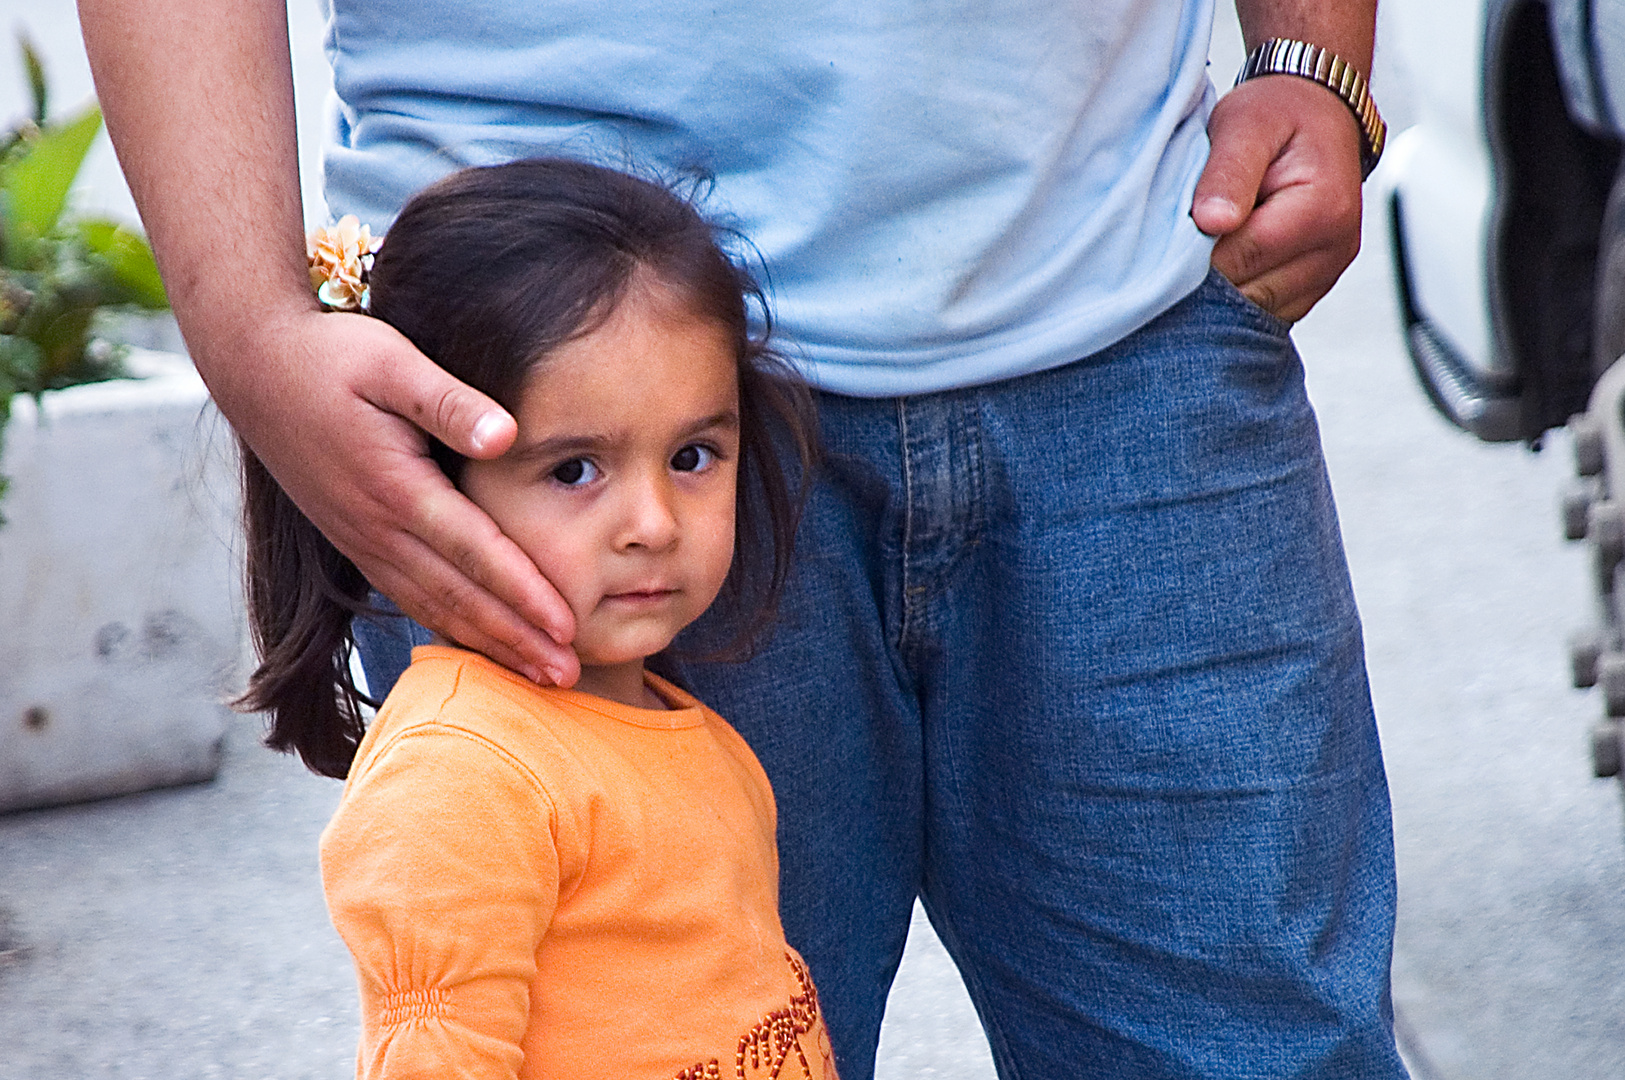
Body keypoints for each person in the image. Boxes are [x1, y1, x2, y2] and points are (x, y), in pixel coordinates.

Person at [79, 1, 1407, 1076]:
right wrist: (250, 332)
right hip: (526, 344)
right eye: (600, 479)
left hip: (1137, 289)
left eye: (687, 472)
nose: (652, 521)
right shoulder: (466, 780)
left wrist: (1312, 59)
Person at [236, 157, 833, 1078]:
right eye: (573, 471)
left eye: (693, 454)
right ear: (430, 484)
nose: (652, 525)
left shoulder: (683, 727)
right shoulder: (463, 778)